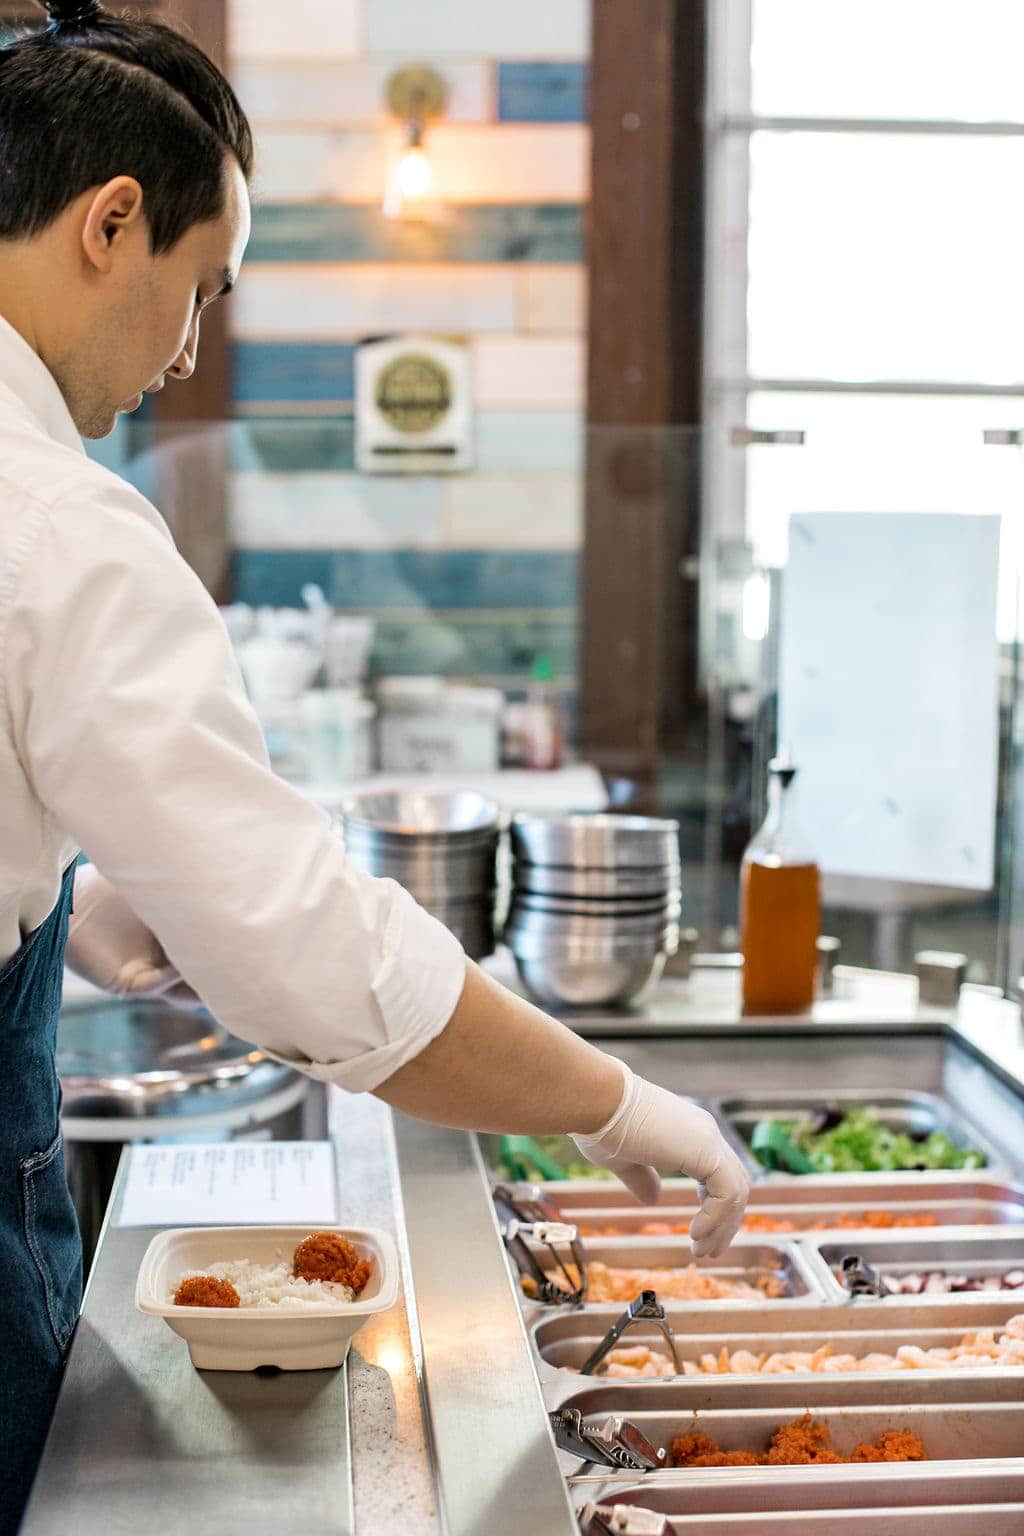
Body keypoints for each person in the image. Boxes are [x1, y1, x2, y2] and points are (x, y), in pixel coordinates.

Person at [0, 3, 750, 1527]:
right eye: (200, 291)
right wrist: (610, 1100)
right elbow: (311, 965)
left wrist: (63, 897)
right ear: (112, 222)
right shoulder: (59, 521)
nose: (188, 350)